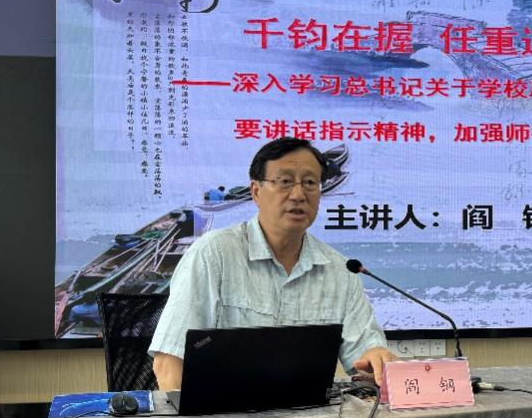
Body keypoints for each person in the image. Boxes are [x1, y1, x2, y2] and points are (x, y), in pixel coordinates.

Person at [150, 138, 396, 390]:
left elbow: (364, 359)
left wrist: (375, 358)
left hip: (310, 413)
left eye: (310, 183)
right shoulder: (213, 254)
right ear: (256, 192)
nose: (298, 195)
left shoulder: (341, 270)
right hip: (223, 411)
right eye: (285, 181)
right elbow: (169, 363)